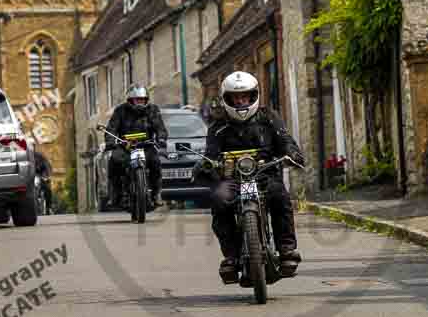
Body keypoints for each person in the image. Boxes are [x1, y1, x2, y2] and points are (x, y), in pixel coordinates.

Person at [195, 71, 304, 284]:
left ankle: (287, 250)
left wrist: (292, 154)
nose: (241, 101)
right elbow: (211, 153)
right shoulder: (218, 125)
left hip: (266, 174)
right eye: (236, 97)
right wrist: (205, 165)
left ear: (254, 96)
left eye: (245, 96)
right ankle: (231, 256)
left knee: (280, 198)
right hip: (232, 179)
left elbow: (285, 140)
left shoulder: (268, 118)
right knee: (219, 201)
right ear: (227, 99)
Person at [105, 84, 168, 207]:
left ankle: (156, 194)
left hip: (146, 145)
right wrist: (110, 141)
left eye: (142, 99)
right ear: (130, 100)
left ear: (146, 99)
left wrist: (161, 138)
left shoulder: (153, 110)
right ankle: (115, 194)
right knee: (113, 162)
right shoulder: (120, 110)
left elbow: (160, 127)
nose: (140, 102)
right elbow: (111, 128)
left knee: (156, 162)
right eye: (137, 99)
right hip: (125, 146)